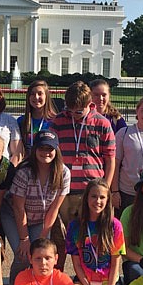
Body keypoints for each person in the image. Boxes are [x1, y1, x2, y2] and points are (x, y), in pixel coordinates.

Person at [48, 81, 116, 261]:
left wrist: (106, 189)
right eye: (71, 110)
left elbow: (110, 159)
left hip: (91, 191)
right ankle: (58, 278)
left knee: (92, 238)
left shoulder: (102, 123)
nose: (75, 114)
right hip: (64, 191)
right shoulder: (58, 122)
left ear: (89, 104)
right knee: (60, 240)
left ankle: (91, 277)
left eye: (79, 110)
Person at [10, 130, 70, 285]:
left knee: (40, 253)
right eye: (42, 148)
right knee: (23, 254)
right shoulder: (25, 172)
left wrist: (41, 237)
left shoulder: (63, 173)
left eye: (50, 149)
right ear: (35, 149)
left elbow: (54, 209)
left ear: (56, 150)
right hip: (15, 216)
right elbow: (18, 207)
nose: (46, 152)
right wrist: (25, 239)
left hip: (42, 218)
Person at [66, 178, 126, 285]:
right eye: (93, 196)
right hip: (85, 283)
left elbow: (115, 266)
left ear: (108, 200)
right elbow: (77, 264)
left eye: (102, 197)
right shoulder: (75, 226)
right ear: (86, 198)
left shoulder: (115, 226)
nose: (97, 201)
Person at [17, 80, 58, 156]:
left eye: (40, 94)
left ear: (46, 96)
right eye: (32, 94)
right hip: (27, 164)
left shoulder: (56, 121)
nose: (36, 97)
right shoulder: (21, 121)